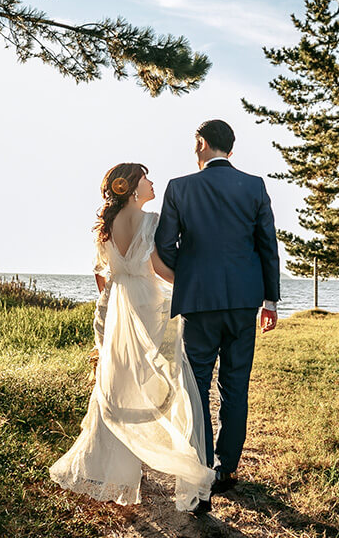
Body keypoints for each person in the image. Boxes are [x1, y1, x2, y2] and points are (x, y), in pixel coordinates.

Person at [49, 163, 216, 512]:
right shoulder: (152, 222)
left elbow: (102, 275)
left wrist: (112, 303)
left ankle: (117, 472)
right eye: (146, 178)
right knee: (169, 381)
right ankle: (176, 462)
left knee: (116, 383)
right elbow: (158, 269)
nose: (152, 182)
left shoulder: (105, 227)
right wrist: (191, 282)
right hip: (144, 307)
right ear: (134, 188)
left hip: (113, 306)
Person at [154, 119, 281, 511]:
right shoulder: (255, 186)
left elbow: (163, 245)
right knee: (235, 385)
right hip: (244, 302)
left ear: (204, 144)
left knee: (197, 389)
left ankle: (201, 474)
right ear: (231, 148)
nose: (195, 152)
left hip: (198, 303)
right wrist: (270, 301)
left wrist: (191, 276)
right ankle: (227, 469)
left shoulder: (179, 187)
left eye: (196, 145)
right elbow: (267, 246)